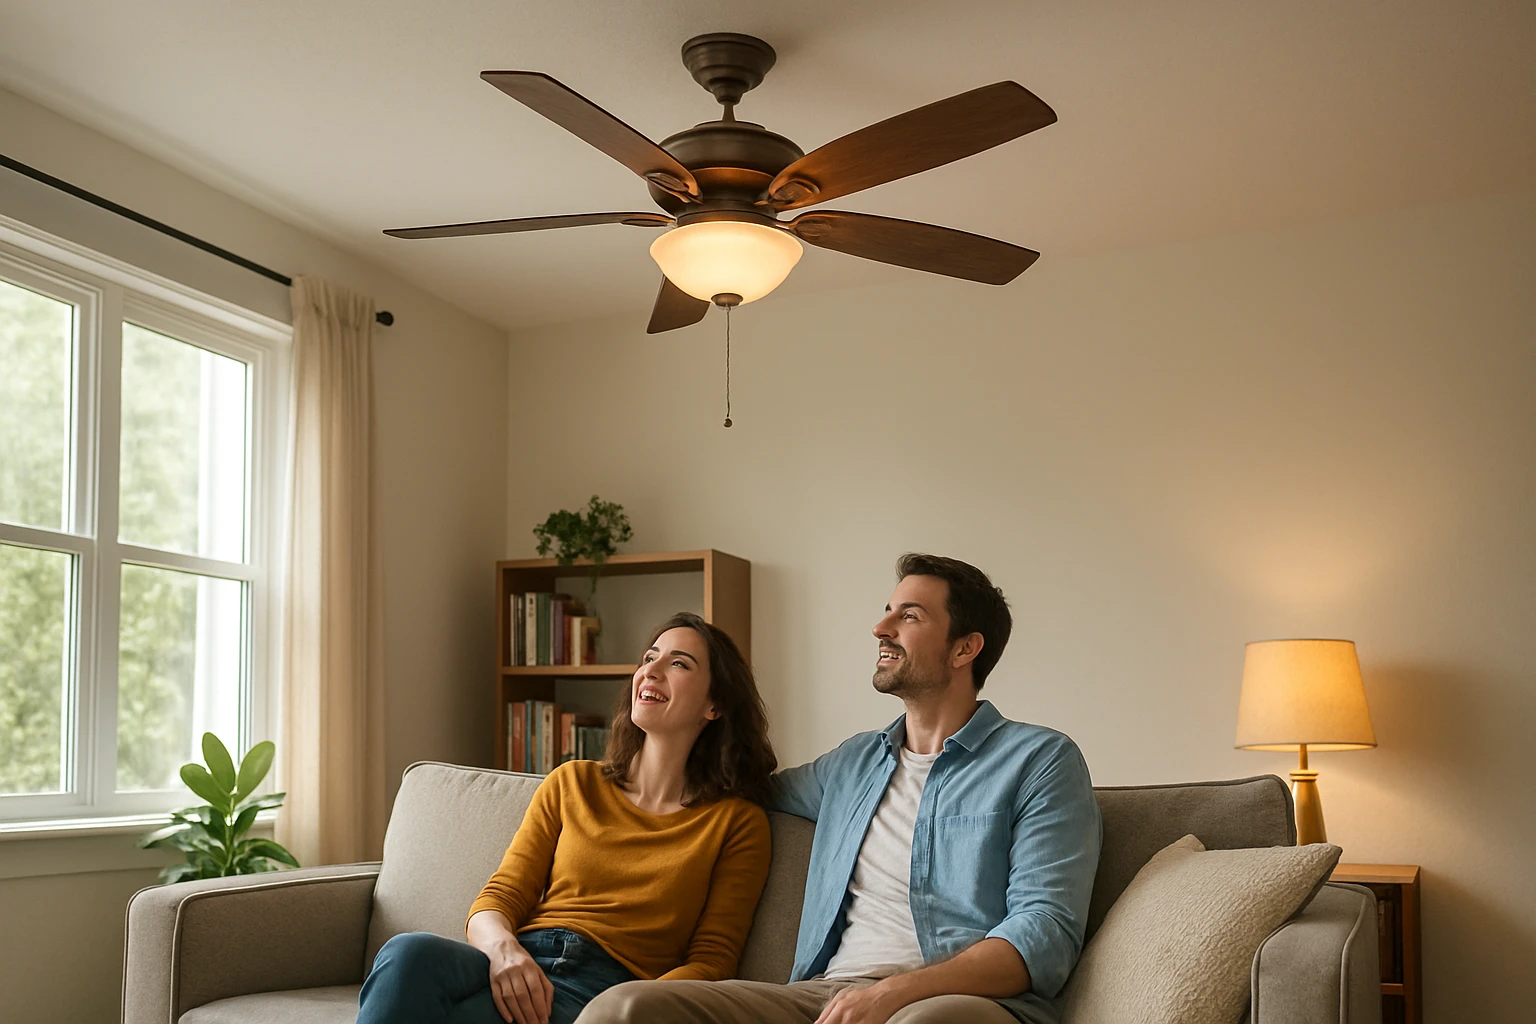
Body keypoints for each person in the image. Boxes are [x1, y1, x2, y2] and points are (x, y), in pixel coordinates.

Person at [579, 554, 1102, 1024]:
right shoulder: (852, 764)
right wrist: (669, 734)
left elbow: (1044, 934)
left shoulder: (1039, 761)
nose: (881, 627)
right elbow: (745, 789)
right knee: (625, 1008)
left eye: (909, 616)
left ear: (965, 648)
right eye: (888, 611)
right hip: (825, 998)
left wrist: (895, 994)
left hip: (965, 1005)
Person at [357, 612, 778, 1024]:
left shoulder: (736, 824)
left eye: (679, 663)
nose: (651, 671)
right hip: (517, 960)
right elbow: (500, 897)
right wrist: (505, 952)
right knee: (406, 953)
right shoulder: (573, 783)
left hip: (605, 992)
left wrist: (631, 1007)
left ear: (715, 705)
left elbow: (712, 961)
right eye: (649, 658)